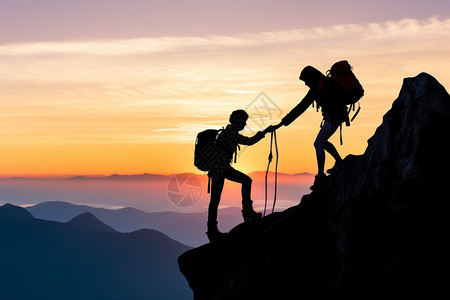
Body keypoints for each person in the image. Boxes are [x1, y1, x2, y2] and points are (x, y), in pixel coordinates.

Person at [272, 66, 349, 190]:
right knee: (321, 142)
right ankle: (339, 162)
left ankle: (321, 175)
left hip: (335, 117)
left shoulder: (325, 85)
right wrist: (282, 123)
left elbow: (301, 107)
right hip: (334, 117)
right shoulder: (317, 88)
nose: (306, 84)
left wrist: (282, 123)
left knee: (318, 143)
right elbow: (300, 107)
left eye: (306, 81)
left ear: (312, 78)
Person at [206, 109, 273, 242]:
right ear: (238, 121)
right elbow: (250, 142)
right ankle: (247, 212)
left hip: (216, 169)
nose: (244, 124)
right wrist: (264, 133)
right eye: (244, 121)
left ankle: (212, 230)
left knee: (215, 200)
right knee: (246, 181)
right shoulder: (231, 133)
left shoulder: (226, 132)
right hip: (222, 169)